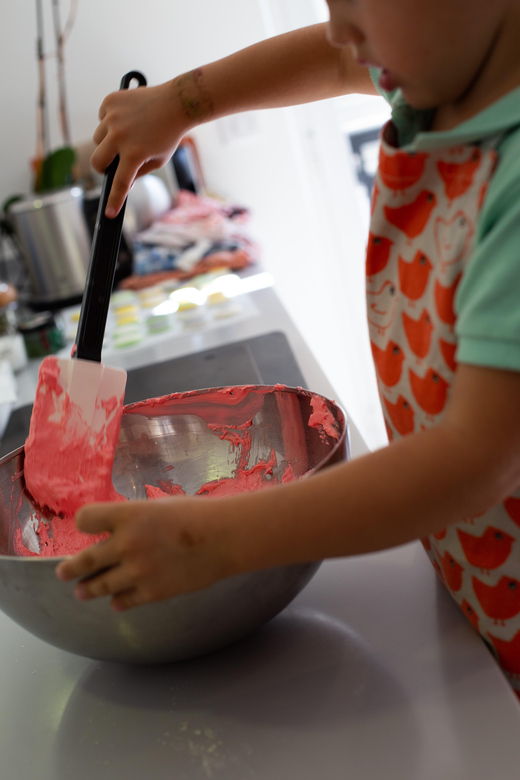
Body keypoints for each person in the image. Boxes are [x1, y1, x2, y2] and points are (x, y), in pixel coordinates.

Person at [56, 1, 520, 693]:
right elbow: (335, 59)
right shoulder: (446, 78)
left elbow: (476, 459)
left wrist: (213, 540)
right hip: (475, 583)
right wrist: (180, 104)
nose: (342, 27)